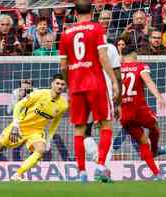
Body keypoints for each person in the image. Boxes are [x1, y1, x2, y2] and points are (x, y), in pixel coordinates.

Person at [0, 74, 68, 181]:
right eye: (57, 83)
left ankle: (18, 174)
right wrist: (15, 125)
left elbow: (55, 122)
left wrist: (48, 139)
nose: (60, 86)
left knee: (41, 150)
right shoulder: (39, 94)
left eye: (62, 84)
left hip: (36, 131)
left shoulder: (63, 105)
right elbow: (19, 105)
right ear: (52, 84)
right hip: (20, 126)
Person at [59, 0, 119, 183]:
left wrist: (69, 86)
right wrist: (114, 81)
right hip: (96, 84)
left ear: (75, 13)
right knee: (106, 125)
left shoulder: (66, 34)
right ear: (92, 12)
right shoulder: (96, 28)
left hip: (76, 86)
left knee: (79, 129)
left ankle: (82, 172)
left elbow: (63, 66)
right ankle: (101, 166)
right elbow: (102, 57)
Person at [120, 46, 166, 180]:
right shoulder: (139, 67)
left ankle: (156, 174)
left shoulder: (116, 70)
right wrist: (159, 97)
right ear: (132, 54)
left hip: (124, 113)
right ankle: (155, 150)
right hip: (139, 109)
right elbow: (148, 81)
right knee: (155, 128)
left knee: (143, 142)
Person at [83, 10, 123, 171]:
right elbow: (118, 77)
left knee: (85, 130)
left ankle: (96, 156)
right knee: (106, 129)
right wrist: (118, 102)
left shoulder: (85, 47)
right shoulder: (111, 49)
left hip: (85, 92)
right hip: (104, 93)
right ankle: (103, 165)